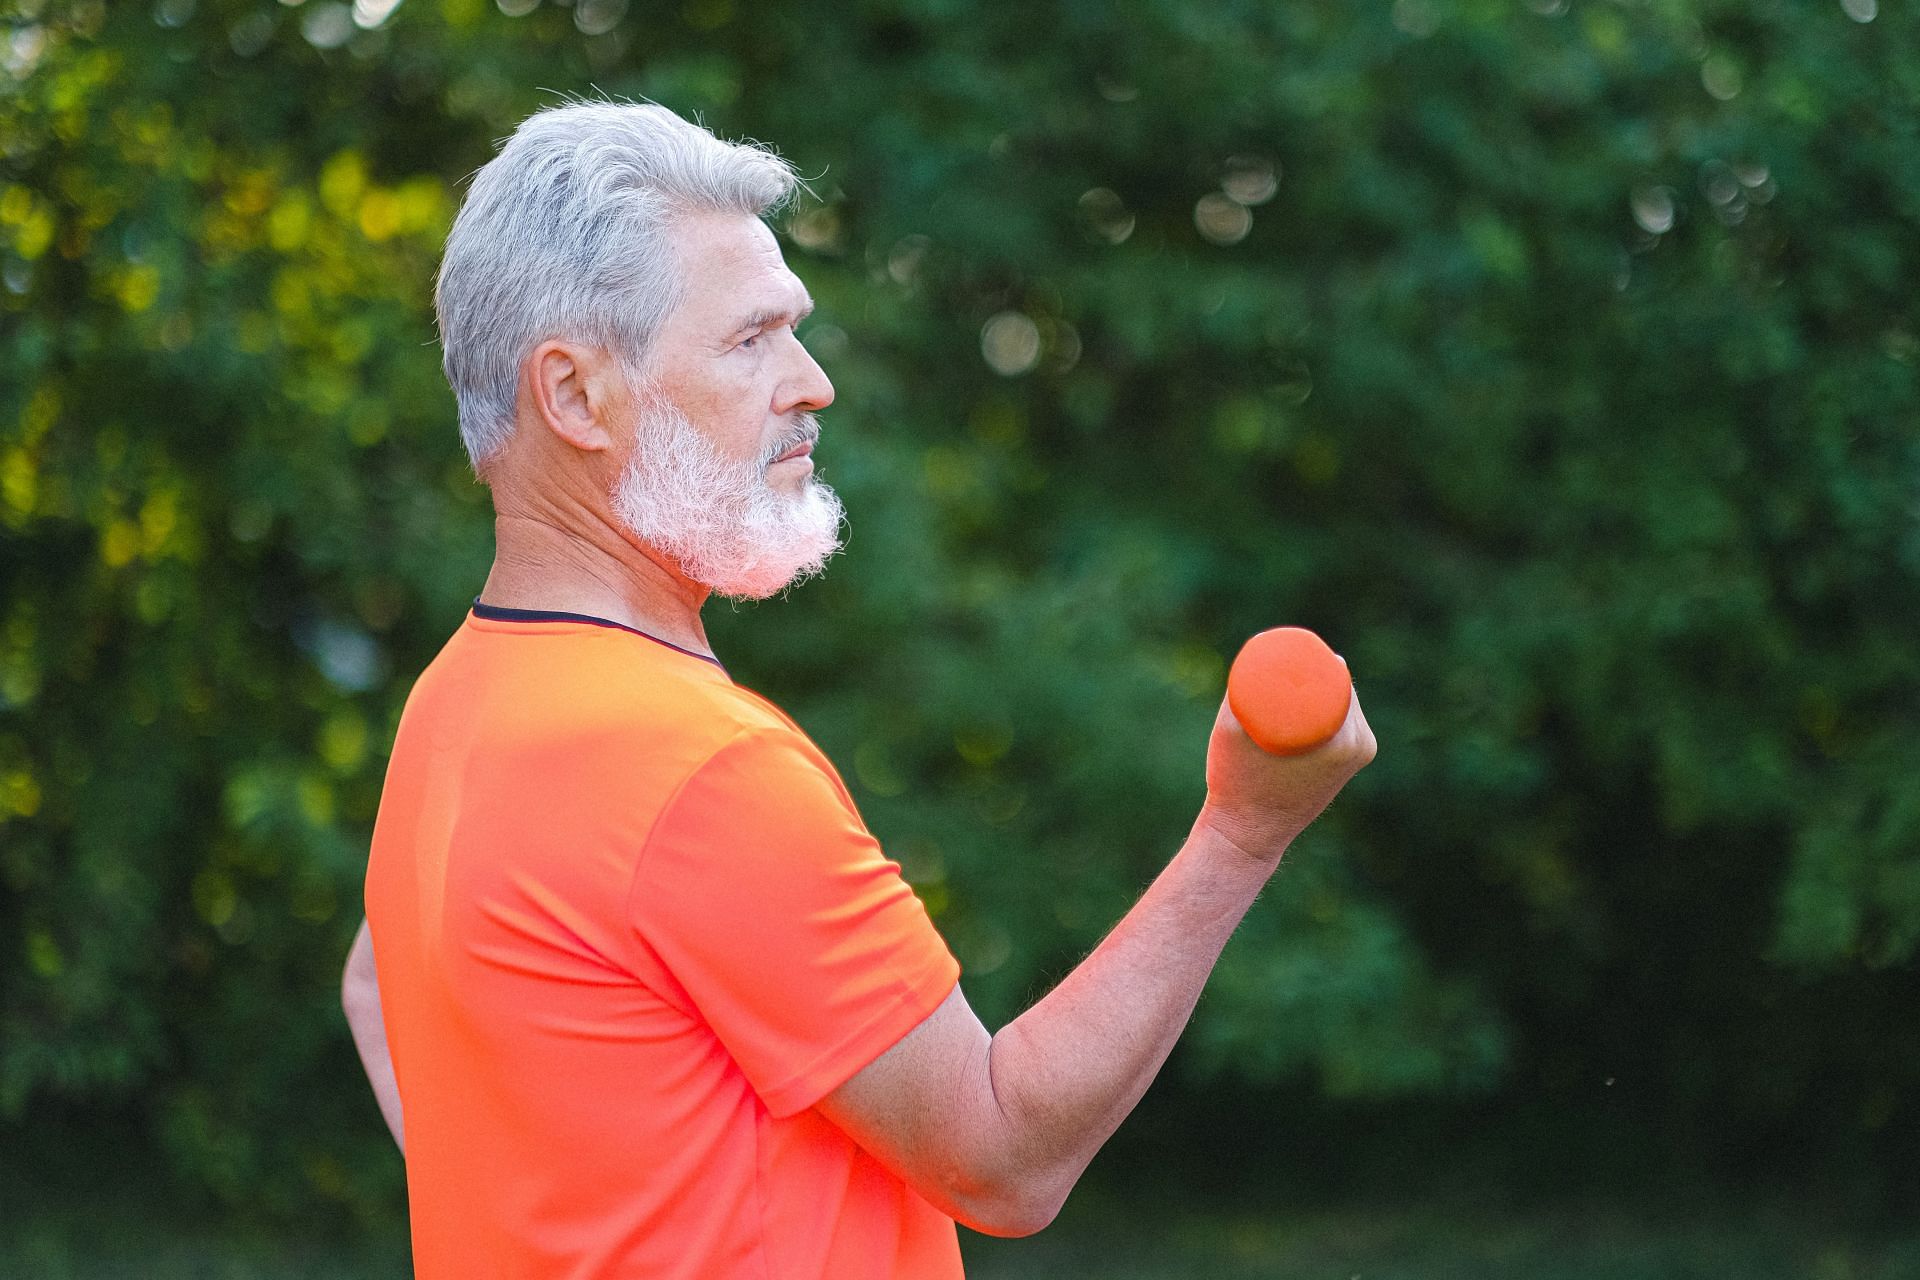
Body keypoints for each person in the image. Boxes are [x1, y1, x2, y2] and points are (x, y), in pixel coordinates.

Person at [341, 99, 1375, 1280]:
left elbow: (378, 979)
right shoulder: (691, 766)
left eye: (797, 331)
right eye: (751, 340)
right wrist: (1243, 830)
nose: (813, 382)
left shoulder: (455, 707)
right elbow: (1000, 1154)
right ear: (575, 396)